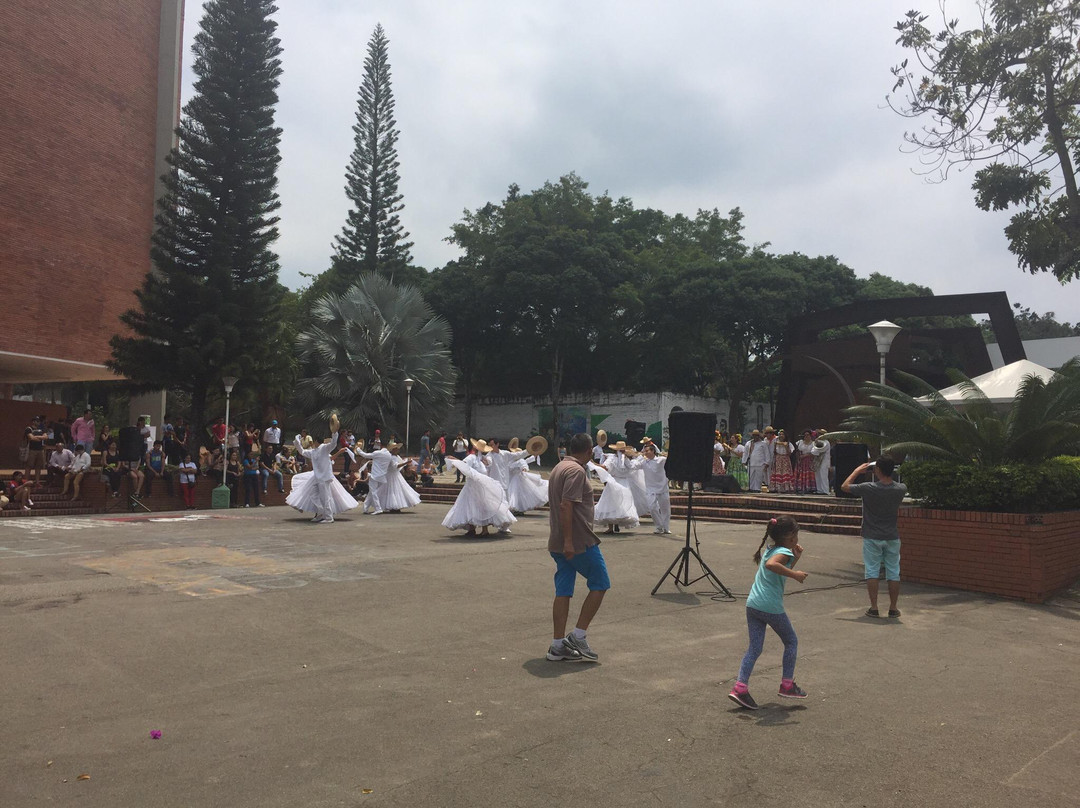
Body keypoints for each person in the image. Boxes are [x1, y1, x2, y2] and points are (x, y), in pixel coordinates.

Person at [728, 515, 809, 709]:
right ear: (791, 537)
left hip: (753, 604)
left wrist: (795, 559)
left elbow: (777, 571)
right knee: (791, 641)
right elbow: (772, 565)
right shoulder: (782, 552)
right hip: (770, 606)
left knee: (755, 648)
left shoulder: (771, 549)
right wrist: (796, 575)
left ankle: (740, 687)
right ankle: (787, 684)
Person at [546, 433, 609, 663]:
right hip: (578, 542)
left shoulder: (559, 467)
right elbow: (566, 506)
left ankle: (557, 645)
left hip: (558, 540)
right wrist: (569, 541)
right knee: (600, 583)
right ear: (590, 451)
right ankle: (578, 635)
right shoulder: (575, 471)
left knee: (563, 591)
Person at [842, 455, 908, 618]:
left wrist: (856, 471)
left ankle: (874, 607)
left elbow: (844, 486)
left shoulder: (868, 488)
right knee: (893, 572)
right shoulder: (901, 488)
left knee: (872, 571)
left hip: (872, 535)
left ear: (877, 469)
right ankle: (893, 608)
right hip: (892, 535)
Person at [288, 415, 359, 523]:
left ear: (316, 441)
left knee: (326, 497)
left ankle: (329, 517)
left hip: (325, 477)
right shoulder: (313, 452)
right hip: (317, 477)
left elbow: (333, 444)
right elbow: (302, 452)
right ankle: (321, 513)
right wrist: (297, 442)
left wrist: (335, 432)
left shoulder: (324, 448)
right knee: (313, 494)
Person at [442, 439, 516, 537]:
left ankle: (482, 529)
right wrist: (455, 460)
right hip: (473, 486)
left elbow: (487, 466)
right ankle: (473, 529)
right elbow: (464, 465)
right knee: (471, 506)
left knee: (480, 506)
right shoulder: (472, 457)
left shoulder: (482, 459)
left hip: (481, 486)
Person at [589, 442, 639, 534]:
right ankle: (615, 525)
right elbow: (632, 468)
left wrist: (594, 464)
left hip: (614, 482)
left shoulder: (613, 459)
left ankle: (612, 526)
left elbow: (605, 467)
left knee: (611, 503)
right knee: (619, 503)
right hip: (623, 483)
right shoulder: (626, 460)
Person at [638, 439, 672, 534]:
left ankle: (666, 527)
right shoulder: (643, 462)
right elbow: (632, 466)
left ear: (653, 451)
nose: (645, 452)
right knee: (652, 508)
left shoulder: (661, 460)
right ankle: (659, 526)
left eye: (647, 451)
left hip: (663, 488)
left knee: (665, 509)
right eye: (645, 451)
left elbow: (670, 459)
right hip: (651, 489)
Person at [770, 430, 795, 494]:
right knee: (778, 472)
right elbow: (774, 452)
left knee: (785, 472)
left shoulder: (789, 443)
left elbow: (789, 453)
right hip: (778, 459)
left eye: (783, 434)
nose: (781, 436)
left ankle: (786, 488)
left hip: (785, 459)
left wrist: (786, 446)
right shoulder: (775, 442)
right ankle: (777, 488)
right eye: (780, 434)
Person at [24, 416, 47, 483]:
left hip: (40, 450)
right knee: (29, 466)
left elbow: (46, 437)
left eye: (39, 421)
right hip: (31, 450)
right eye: (37, 421)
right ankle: (26, 482)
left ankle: (37, 482)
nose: (39, 422)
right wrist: (40, 438)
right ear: (33, 421)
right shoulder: (29, 429)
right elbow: (31, 438)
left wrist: (37, 437)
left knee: (38, 466)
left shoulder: (42, 429)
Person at [812, 429, 832, 495]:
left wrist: (816, 449)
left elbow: (820, 450)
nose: (819, 435)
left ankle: (825, 491)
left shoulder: (826, 442)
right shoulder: (818, 441)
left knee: (823, 475)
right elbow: (813, 451)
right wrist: (816, 445)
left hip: (824, 461)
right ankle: (819, 490)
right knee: (817, 475)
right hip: (818, 461)